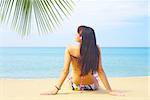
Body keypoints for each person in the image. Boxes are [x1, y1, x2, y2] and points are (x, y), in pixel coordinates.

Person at [41, 25, 123, 96]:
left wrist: (56, 89)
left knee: (73, 74)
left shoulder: (70, 49)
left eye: (77, 33)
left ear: (81, 37)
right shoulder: (96, 49)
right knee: (94, 75)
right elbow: (100, 70)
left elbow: (65, 71)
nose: (75, 34)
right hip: (92, 87)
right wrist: (110, 91)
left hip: (75, 86)